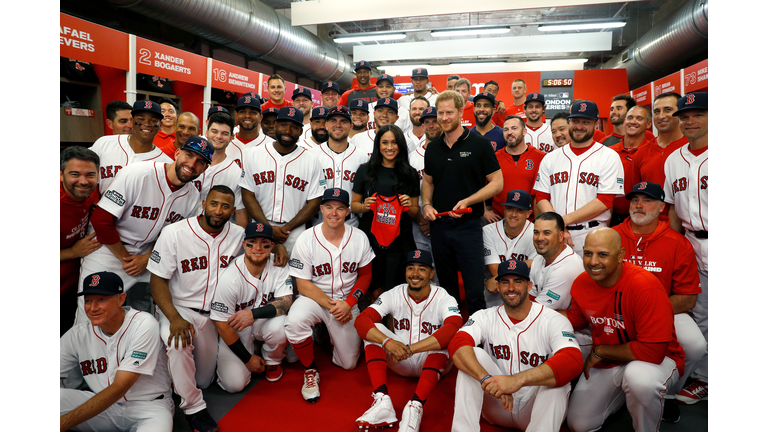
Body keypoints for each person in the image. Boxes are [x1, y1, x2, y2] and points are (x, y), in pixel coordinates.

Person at [78, 136, 212, 324]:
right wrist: (126, 258)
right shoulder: (138, 173)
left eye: (200, 162)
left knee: (143, 313)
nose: (191, 163)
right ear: (177, 153)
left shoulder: (192, 196)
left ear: (205, 169)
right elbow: (101, 220)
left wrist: (147, 258)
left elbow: (177, 238)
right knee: (91, 314)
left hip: (148, 254)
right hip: (108, 248)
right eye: (189, 155)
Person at [564, 229, 684, 432]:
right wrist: (535, 313)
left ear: (620, 255)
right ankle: (625, 396)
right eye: (588, 253)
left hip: (657, 359)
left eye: (603, 254)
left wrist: (600, 352)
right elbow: (575, 321)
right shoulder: (581, 283)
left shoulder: (644, 286)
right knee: (579, 424)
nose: (593, 262)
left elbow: (653, 352)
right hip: (612, 360)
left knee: (638, 379)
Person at [148, 185, 245, 432]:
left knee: (204, 380)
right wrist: (173, 317)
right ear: (204, 204)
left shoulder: (238, 234)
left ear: (232, 210)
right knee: (178, 341)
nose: (218, 211)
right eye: (214, 204)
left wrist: (275, 247)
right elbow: (157, 280)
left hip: (216, 316)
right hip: (181, 308)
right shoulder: (175, 232)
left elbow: (259, 249)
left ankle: (175, 374)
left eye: (225, 206)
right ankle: (194, 409)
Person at [449, 258, 583, 432]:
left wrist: (515, 381)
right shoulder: (484, 316)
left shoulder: (552, 319)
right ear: (498, 287)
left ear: (529, 286)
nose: (511, 288)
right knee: (473, 355)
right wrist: (486, 378)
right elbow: (457, 345)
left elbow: (573, 360)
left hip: (533, 408)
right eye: (505, 282)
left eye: (518, 281)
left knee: (558, 382)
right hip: (497, 403)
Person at [614, 181, 706, 422]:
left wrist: (651, 309)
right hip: (617, 312)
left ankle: (668, 394)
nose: (639, 205)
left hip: (664, 310)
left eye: (647, 200)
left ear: (661, 207)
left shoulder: (677, 242)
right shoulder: (612, 236)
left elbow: (687, 298)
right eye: (635, 200)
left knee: (696, 345)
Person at [354, 250, 463, 431]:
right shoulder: (394, 293)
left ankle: (415, 406)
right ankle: (382, 400)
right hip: (399, 358)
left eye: (422, 269)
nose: (415, 274)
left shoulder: (443, 297)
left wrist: (411, 348)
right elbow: (361, 321)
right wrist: (388, 342)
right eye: (410, 268)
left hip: (431, 359)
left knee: (445, 340)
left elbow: (454, 327)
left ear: (431, 273)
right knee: (374, 331)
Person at [285, 188, 375, 402]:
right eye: (329, 207)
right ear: (321, 209)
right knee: (294, 321)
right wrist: (334, 306)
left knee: (349, 364)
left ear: (347, 212)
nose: (334, 212)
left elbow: (366, 275)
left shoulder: (359, 237)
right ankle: (310, 370)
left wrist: (349, 303)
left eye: (340, 208)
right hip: (315, 299)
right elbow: (303, 284)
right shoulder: (306, 239)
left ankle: (326, 334)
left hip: (347, 301)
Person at [60, 272, 174, 432]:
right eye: (88, 301)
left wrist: (63, 423)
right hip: (103, 409)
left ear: (121, 299)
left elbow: (120, 387)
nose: (93, 308)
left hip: (149, 408)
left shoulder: (143, 325)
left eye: (101, 299)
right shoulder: (78, 334)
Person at [422, 90, 503, 315]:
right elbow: (428, 182)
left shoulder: (479, 143)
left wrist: (469, 200)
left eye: (449, 112)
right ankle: (453, 338)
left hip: (468, 227)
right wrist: (426, 204)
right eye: (440, 113)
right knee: (447, 291)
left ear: (460, 112)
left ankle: (476, 344)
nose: (444, 118)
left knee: (474, 290)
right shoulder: (433, 147)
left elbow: (497, 183)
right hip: (439, 228)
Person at [210, 222, 294, 392]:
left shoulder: (278, 265)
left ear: (272, 245)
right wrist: (248, 359)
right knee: (233, 385)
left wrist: (253, 314)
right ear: (244, 245)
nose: (258, 247)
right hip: (235, 328)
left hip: (261, 321)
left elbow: (285, 302)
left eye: (264, 243)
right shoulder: (229, 277)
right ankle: (252, 352)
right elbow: (221, 324)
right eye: (252, 242)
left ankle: (272, 360)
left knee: (282, 326)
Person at [533, 100, 625, 256]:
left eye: (586, 122)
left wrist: (561, 223)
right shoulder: (550, 158)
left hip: (592, 233)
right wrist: (559, 228)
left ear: (595, 124)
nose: (579, 126)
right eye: (575, 121)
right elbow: (541, 197)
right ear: (569, 122)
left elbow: (605, 200)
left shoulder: (609, 156)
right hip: (557, 235)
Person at [663, 92, 708, 405]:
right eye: (685, 116)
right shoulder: (673, 159)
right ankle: (704, 379)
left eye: (698, 114)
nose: (690, 121)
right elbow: (671, 212)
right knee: (702, 315)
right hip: (691, 242)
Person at [239, 106, 324, 254]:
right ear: (276, 125)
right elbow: (247, 194)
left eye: (294, 127)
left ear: (301, 131)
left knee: (294, 275)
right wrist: (268, 228)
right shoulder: (254, 154)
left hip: (295, 232)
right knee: (258, 273)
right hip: (259, 227)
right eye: (284, 125)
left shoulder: (311, 161)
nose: (288, 130)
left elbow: (315, 202)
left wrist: (286, 229)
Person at [352, 124, 420, 301]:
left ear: (401, 145)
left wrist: (407, 206)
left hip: (399, 242)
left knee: (394, 293)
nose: (389, 147)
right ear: (378, 145)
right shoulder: (365, 170)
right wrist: (364, 206)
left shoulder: (410, 173)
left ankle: (390, 328)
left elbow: (415, 212)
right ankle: (369, 327)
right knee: (371, 290)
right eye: (384, 142)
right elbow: (353, 205)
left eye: (394, 142)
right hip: (370, 240)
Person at [90, 100, 173, 194]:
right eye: (141, 119)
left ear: (160, 125)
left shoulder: (165, 164)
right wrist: (92, 200)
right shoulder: (104, 143)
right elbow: (85, 173)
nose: (146, 124)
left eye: (153, 120)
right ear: (132, 121)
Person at [60, 147, 101, 335]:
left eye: (90, 175)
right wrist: (73, 252)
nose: (83, 181)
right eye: (75, 174)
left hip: (74, 284)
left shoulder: (88, 192)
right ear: (61, 175)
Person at [309, 105, 368, 228]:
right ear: (326, 125)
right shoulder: (312, 155)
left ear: (351, 127)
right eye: (333, 121)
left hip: (351, 222)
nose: (338, 125)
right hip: (318, 222)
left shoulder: (362, 157)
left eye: (343, 121)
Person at [482, 190, 536, 305]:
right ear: (504, 210)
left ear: (528, 213)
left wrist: (533, 263)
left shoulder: (536, 233)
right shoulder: (488, 231)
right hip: (496, 292)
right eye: (510, 209)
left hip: (525, 292)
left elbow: (536, 265)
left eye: (520, 210)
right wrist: (527, 263)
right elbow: (495, 270)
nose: (513, 214)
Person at [195, 111, 249, 227]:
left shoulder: (236, 172)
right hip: (185, 227)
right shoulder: (191, 162)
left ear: (231, 138)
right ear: (207, 133)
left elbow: (240, 212)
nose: (218, 136)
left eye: (224, 133)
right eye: (214, 131)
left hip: (219, 232)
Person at [490, 115, 546, 220]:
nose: (509, 132)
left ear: (524, 131)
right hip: (500, 220)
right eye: (506, 129)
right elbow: (481, 186)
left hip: (530, 221)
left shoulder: (540, 157)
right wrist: (485, 211)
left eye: (514, 128)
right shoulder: (494, 158)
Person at [528, 212, 583, 311]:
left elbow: (536, 311)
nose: (540, 238)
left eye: (547, 233)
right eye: (536, 232)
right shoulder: (539, 258)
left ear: (561, 236)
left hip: (567, 325)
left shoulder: (568, 267)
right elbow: (530, 297)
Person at [608, 105, 652, 226]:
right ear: (624, 121)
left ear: (648, 124)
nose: (633, 122)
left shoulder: (653, 152)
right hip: (611, 217)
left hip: (642, 218)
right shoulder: (609, 152)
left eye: (639, 118)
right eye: (630, 117)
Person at [633, 92, 687, 190]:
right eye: (657, 111)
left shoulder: (692, 146)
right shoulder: (641, 152)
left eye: (668, 110)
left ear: (680, 113)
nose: (661, 116)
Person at [407, 106, 441, 260]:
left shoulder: (449, 154)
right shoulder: (412, 157)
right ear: (423, 125)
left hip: (443, 221)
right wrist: (421, 220)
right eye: (427, 122)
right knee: (423, 266)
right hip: (418, 222)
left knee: (443, 271)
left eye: (435, 121)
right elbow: (406, 193)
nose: (431, 125)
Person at [228, 95, 271, 169]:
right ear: (237, 115)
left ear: (260, 117)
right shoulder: (225, 143)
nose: (247, 115)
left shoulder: (271, 145)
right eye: (242, 112)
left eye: (253, 112)